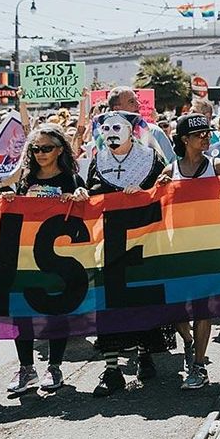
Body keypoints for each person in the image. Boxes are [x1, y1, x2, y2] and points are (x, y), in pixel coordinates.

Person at [87, 110, 168, 397]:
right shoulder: (97, 161)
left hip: (145, 243)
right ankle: (112, 369)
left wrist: (147, 195)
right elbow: (91, 196)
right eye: (105, 128)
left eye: (117, 127)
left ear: (131, 130)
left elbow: (167, 194)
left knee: (143, 298)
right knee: (109, 303)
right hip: (109, 244)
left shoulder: (152, 159)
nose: (110, 133)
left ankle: (146, 353)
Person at [2, 125, 88, 395]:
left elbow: (88, 218)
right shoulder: (27, 179)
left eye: (46, 148)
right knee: (22, 313)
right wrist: (10, 199)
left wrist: (80, 199)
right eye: (35, 149)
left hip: (59, 258)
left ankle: (54, 366)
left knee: (56, 312)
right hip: (27, 255)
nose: (40, 153)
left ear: (60, 150)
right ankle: (26, 368)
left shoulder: (72, 180)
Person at [158, 113, 220, 389]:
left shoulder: (218, 166)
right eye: (199, 134)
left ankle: (198, 364)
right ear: (184, 139)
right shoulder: (169, 171)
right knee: (176, 306)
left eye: (207, 132)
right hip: (177, 248)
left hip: (210, 248)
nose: (206, 137)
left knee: (203, 307)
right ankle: (189, 342)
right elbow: (155, 207)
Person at [106, 86, 176, 163]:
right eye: (131, 101)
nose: (138, 104)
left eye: (137, 100)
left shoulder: (154, 132)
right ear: (117, 108)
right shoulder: (103, 136)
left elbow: (170, 163)